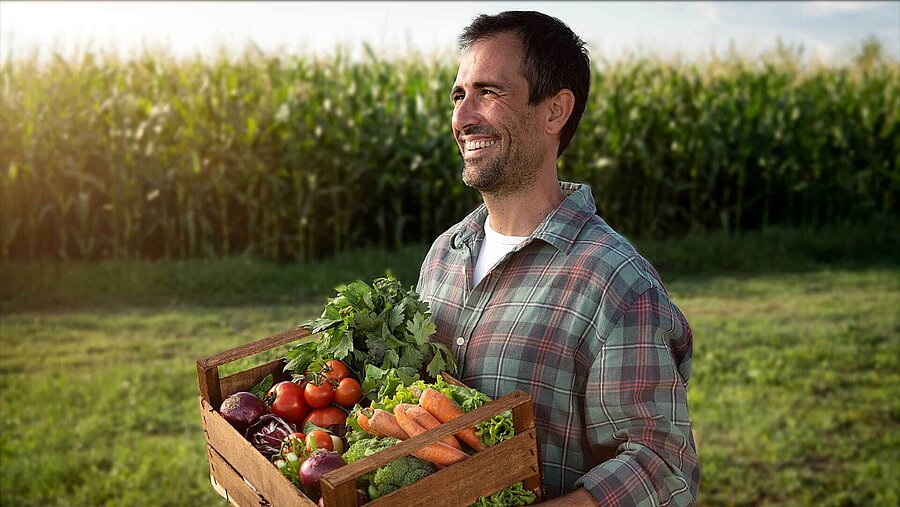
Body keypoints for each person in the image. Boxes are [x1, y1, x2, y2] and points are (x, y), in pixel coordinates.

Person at [416, 11, 700, 506]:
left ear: (555, 111)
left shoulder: (614, 282)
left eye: (489, 92)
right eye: (458, 95)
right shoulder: (444, 255)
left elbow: (663, 469)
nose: (462, 117)